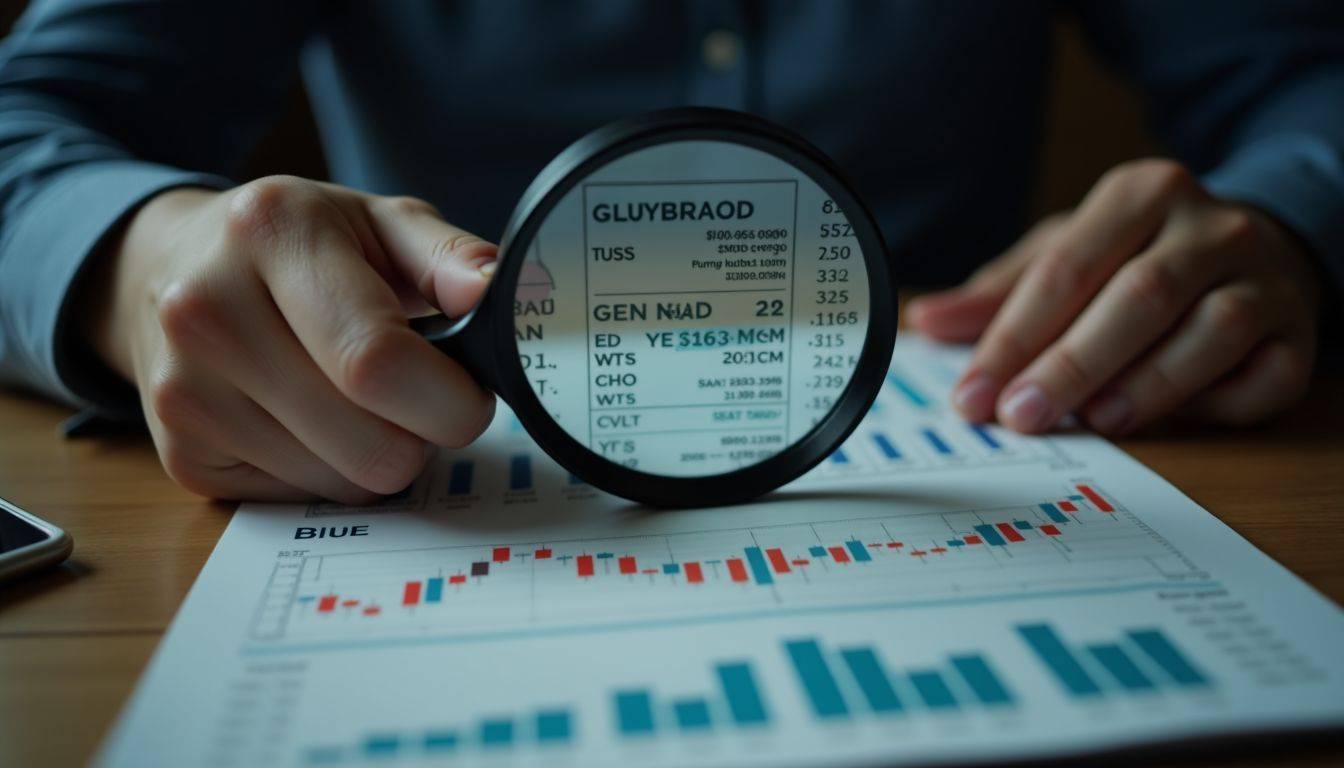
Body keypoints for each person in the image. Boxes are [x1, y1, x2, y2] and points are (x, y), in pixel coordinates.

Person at [0, 2, 1339, 502]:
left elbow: (1307, 83)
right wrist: (143, 260)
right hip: (408, 415)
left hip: (1005, 394)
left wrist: (1284, 218)